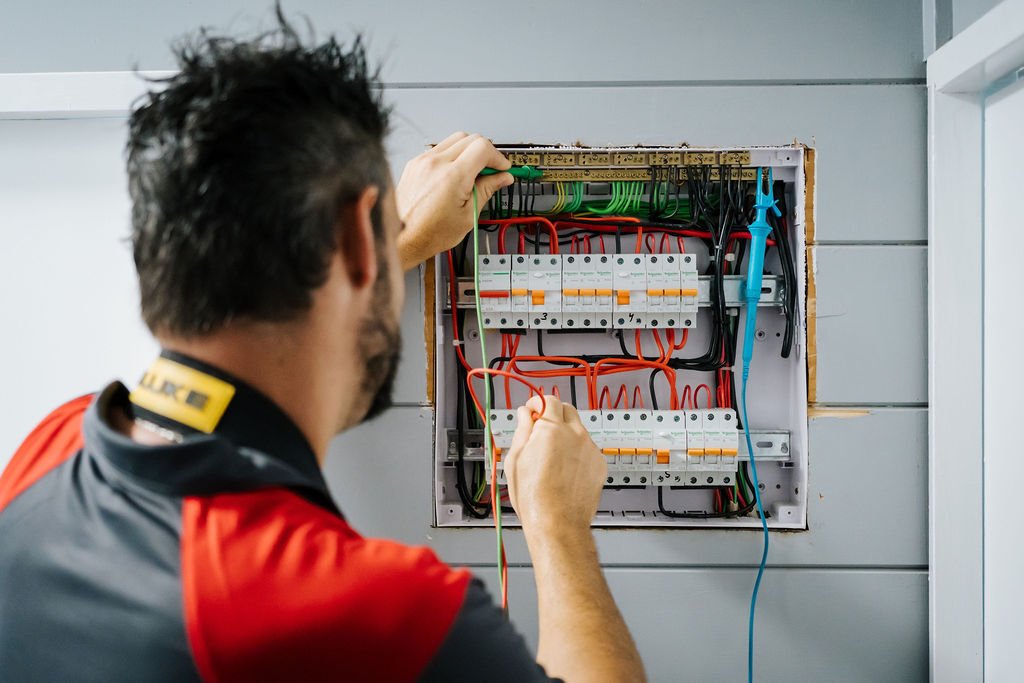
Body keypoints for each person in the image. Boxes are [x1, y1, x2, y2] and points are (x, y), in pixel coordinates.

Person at [0, 13, 644, 683]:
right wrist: (558, 526)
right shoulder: (381, 613)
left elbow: (223, 376)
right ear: (357, 242)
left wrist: (390, 249)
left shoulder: (45, 453)